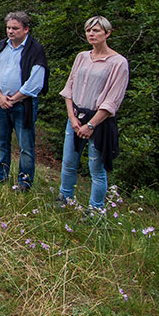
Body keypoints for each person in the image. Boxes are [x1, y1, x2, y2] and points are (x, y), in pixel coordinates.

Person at [56, 16, 129, 211]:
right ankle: (65, 199)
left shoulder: (118, 63)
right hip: (75, 118)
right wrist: (72, 117)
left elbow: (113, 99)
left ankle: (95, 210)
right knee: (69, 162)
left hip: (99, 121)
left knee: (97, 169)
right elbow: (69, 88)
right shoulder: (82, 57)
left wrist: (91, 125)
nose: (91, 34)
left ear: (107, 33)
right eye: (88, 30)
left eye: (96, 30)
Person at [0, 11, 49, 192]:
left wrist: (14, 98)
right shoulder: (1, 46)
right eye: (8, 28)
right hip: (0, 102)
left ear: (26, 29)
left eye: (15, 28)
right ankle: (0, 175)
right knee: (0, 142)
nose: (10, 31)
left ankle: (24, 182)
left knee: (26, 146)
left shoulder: (35, 50)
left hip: (23, 105)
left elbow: (36, 82)